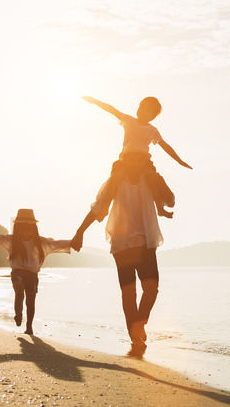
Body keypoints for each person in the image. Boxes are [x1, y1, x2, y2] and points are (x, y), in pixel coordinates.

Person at [72, 152, 169, 357]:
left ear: (144, 161)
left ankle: (139, 325)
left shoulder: (149, 179)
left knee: (151, 289)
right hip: (122, 244)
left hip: (145, 243)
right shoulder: (116, 182)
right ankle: (135, 336)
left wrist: (157, 177)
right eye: (131, 159)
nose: (135, 162)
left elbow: (170, 200)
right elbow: (98, 207)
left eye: (139, 159)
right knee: (129, 292)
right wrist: (80, 231)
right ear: (125, 160)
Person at [82, 95, 191, 218]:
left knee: (152, 178)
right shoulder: (128, 120)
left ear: (152, 116)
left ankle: (159, 208)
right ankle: (105, 208)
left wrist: (179, 161)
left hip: (143, 161)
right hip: (125, 159)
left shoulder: (152, 130)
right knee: (115, 178)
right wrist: (95, 101)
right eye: (141, 106)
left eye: (147, 109)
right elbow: (112, 110)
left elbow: (165, 145)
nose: (142, 110)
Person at [0, 208, 74, 335]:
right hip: (18, 273)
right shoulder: (11, 240)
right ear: (17, 228)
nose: (24, 232)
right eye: (21, 228)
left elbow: (56, 243)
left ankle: (28, 325)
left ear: (33, 228)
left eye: (28, 228)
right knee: (20, 292)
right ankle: (19, 314)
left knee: (29, 302)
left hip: (31, 275)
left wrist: (74, 241)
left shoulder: (41, 242)